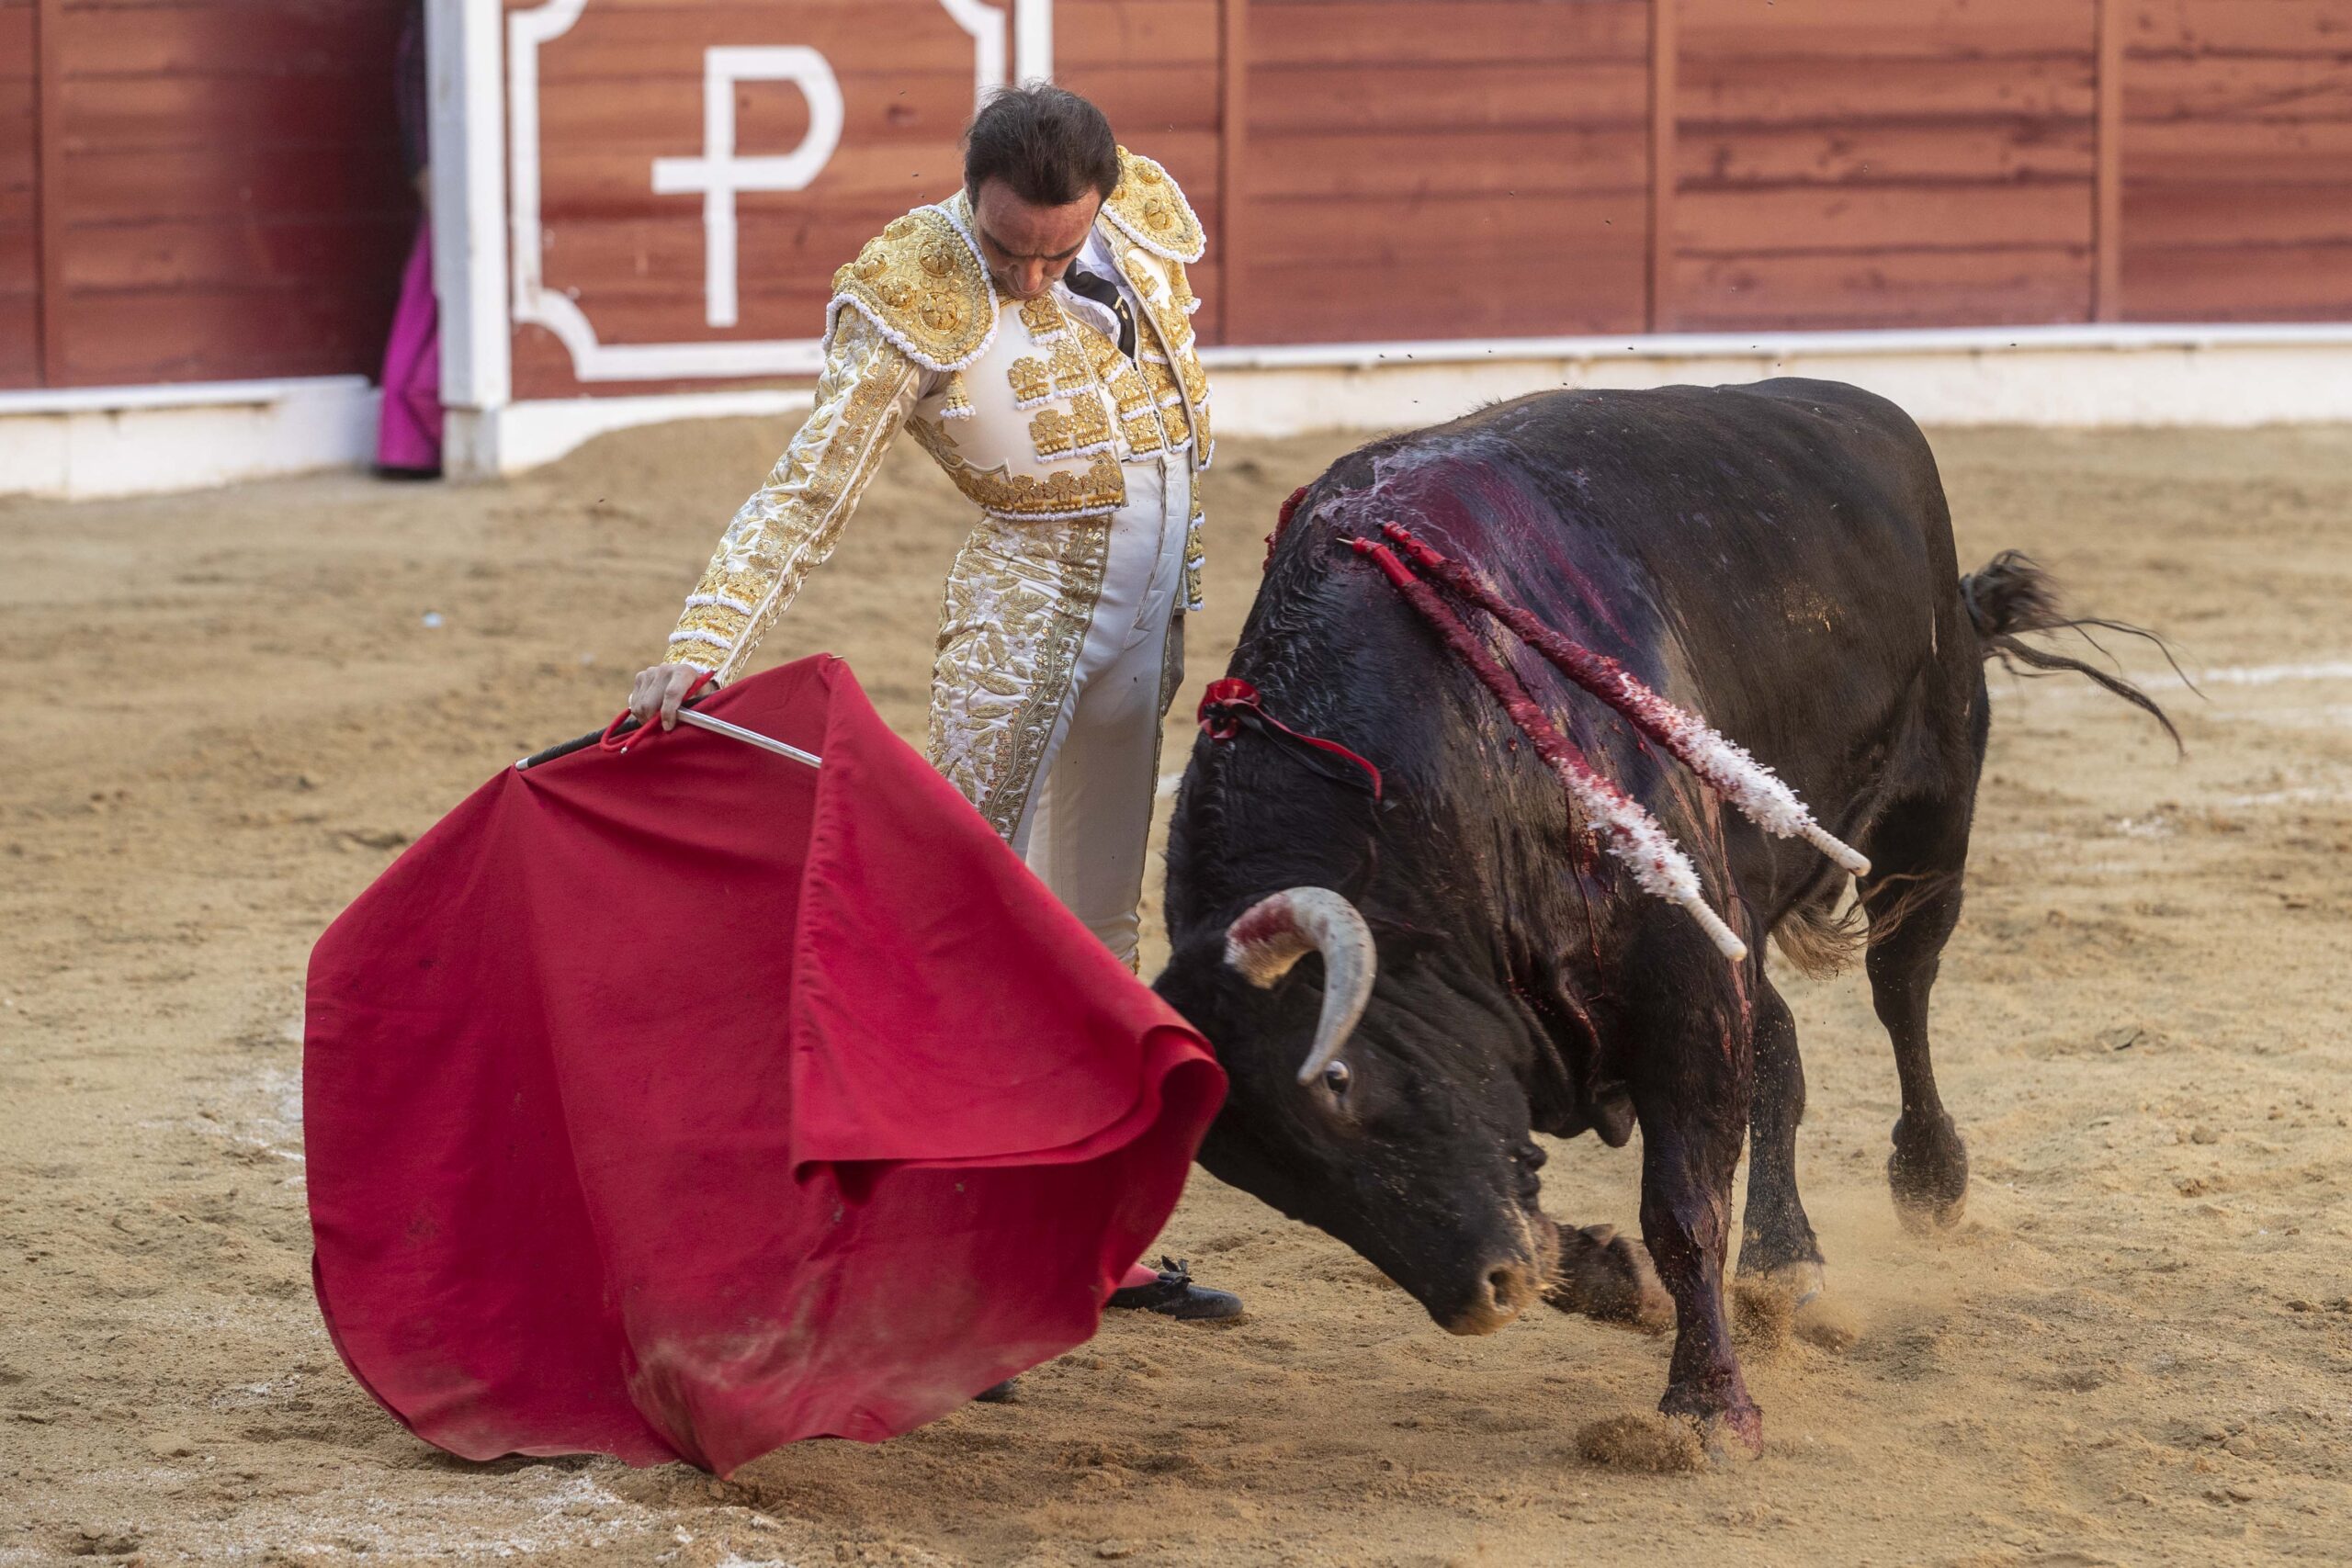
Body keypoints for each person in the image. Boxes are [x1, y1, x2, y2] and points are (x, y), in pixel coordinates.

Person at [627, 85, 1237, 1325]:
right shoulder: (913, 282)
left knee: (1097, 934)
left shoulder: (1149, 224)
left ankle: (1084, 1246)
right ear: (971, 192)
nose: (1028, 276)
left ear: (1104, 204)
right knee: (963, 940)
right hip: (1022, 630)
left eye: (1057, 251)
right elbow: (807, 492)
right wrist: (702, 643)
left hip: (1152, 625)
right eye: (1007, 247)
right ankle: (948, 1265)